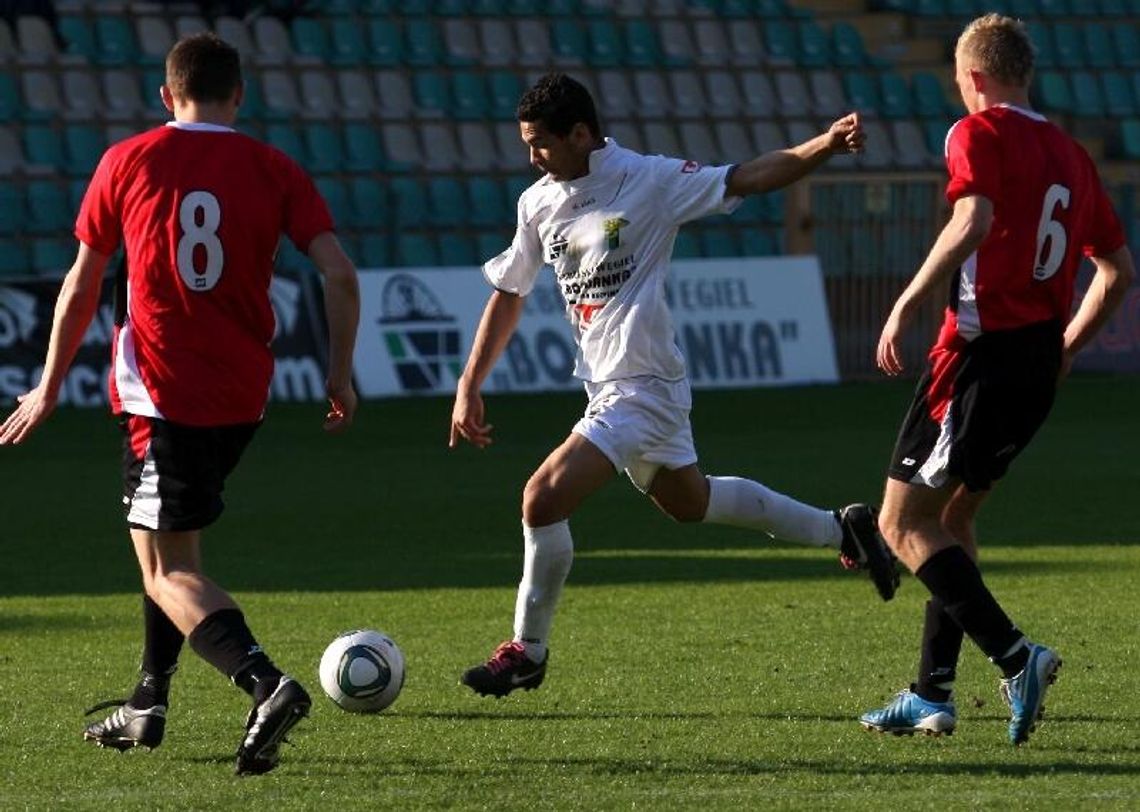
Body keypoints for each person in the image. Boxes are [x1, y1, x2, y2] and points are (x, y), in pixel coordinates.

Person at [448, 72, 899, 699]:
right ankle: (842, 529)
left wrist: (822, 146)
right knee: (690, 503)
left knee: (541, 498)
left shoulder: (649, 181)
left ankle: (527, 650)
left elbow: (746, 176)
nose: (532, 157)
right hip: (607, 388)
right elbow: (509, 292)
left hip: (643, 387)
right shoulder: (537, 203)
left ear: (581, 134)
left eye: (542, 144)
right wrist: (470, 381)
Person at [0, 33, 361, 774]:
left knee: (168, 570)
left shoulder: (128, 159)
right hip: (243, 394)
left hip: (164, 393)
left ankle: (266, 684)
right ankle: (147, 701)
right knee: (165, 544)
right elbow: (340, 274)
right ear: (240, 95)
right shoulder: (274, 166)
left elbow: (82, 284)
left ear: (166, 96)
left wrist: (48, 383)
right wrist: (339, 374)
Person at [858, 14, 1134, 746]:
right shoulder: (1074, 156)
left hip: (977, 357)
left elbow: (973, 218)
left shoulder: (974, 132)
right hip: (1037, 363)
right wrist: (1067, 346)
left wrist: (910, 299)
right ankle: (931, 694)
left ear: (973, 78)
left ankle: (1018, 657)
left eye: (958, 80)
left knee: (900, 522)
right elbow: (1117, 273)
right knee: (952, 522)